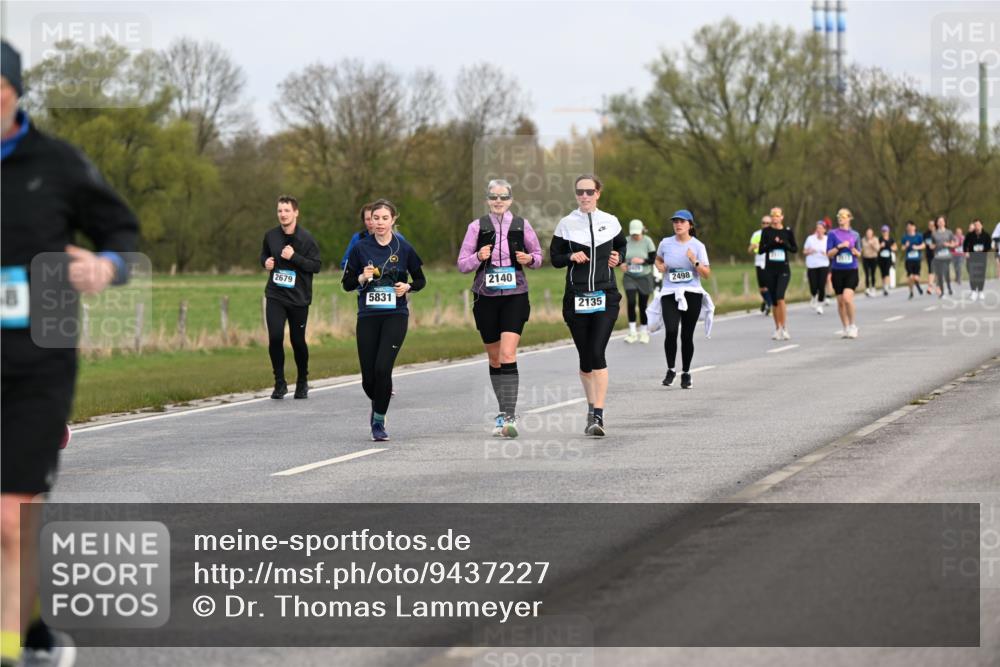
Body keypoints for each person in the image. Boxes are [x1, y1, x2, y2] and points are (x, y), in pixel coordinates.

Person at [1, 39, 139, 667]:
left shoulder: (56, 163)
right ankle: (31, 631)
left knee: (9, 516)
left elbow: (121, 232)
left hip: (39, 353)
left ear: (14, 91)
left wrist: (107, 268)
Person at [456, 179, 543, 438]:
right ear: (487, 199)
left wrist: (529, 259)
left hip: (515, 296)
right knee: (494, 358)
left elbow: (538, 257)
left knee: (507, 354)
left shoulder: (522, 225)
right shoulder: (476, 227)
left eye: (503, 197)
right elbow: (462, 264)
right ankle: (501, 411)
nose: (498, 201)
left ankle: (509, 415)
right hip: (485, 298)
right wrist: (478, 257)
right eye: (493, 197)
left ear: (510, 200)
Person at [342, 199, 425, 441]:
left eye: (384, 218)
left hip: (395, 315)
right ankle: (379, 400)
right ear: (371, 221)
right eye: (375, 218)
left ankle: (378, 421)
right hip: (368, 315)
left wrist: (407, 286)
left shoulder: (404, 247)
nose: (379, 222)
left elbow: (421, 280)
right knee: (369, 379)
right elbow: (346, 284)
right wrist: (361, 277)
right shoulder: (360, 248)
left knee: (383, 368)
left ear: (393, 220)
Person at [549, 175, 626, 437]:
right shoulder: (566, 224)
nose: (584, 196)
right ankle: (591, 407)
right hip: (576, 297)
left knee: (597, 351)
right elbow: (555, 258)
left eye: (589, 191)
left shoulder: (611, 221)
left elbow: (622, 246)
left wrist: (619, 256)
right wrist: (570, 255)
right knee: (585, 358)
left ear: (598, 193)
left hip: (605, 294)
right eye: (580, 192)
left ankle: (598, 416)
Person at [260, 195, 322, 399]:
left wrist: (293, 257)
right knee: (275, 337)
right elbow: (264, 255)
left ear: (296, 212)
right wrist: (266, 263)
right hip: (276, 295)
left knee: (297, 340)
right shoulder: (271, 236)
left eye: (286, 210)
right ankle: (279, 383)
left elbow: (316, 266)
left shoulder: (306, 238)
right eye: (280, 211)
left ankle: (302, 381)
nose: (283, 214)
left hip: (299, 298)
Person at [655, 210, 711, 389]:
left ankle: (686, 373)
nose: (678, 224)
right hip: (670, 292)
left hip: (692, 292)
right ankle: (671, 369)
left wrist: (694, 261)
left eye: (682, 221)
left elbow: (706, 274)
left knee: (687, 335)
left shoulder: (698, 246)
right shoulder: (665, 243)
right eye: (675, 222)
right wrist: (660, 266)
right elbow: (657, 259)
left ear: (690, 225)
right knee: (671, 330)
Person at [757, 206, 797, 340]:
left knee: (780, 297)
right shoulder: (766, 232)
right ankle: (777, 328)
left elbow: (794, 249)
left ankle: (784, 327)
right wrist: (772, 244)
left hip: (783, 270)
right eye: (773, 215)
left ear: (782, 217)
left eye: (777, 215)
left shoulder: (787, 231)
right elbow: (761, 250)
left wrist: (783, 243)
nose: (775, 218)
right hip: (770, 270)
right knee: (774, 301)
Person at [827, 208, 861, 338]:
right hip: (837, 271)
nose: (840, 217)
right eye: (839, 215)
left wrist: (854, 251)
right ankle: (845, 327)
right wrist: (839, 247)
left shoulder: (855, 234)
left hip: (851, 270)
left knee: (847, 299)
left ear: (849, 218)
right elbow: (829, 254)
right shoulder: (832, 234)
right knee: (840, 301)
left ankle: (853, 326)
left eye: (843, 215)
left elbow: (859, 252)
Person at [340, 203, 406, 270]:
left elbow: (406, 263)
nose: (371, 222)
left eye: (375, 218)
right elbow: (345, 264)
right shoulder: (357, 238)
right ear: (364, 221)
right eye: (368, 219)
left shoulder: (398, 238)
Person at [621, 219, 657, 343]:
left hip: (644, 276)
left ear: (642, 230)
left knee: (643, 305)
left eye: (637, 233)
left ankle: (643, 332)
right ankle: (632, 333)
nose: (635, 236)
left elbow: (653, 259)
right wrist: (621, 264)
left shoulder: (648, 241)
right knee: (631, 302)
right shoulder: (625, 241)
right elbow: (619, 258)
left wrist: (642, 261)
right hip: (629, 277)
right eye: (633, 234)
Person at [803, 220, 830, 314]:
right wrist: (809, 251)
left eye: (821, 228)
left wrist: (826, 253)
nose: (819, 230)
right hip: (812, 265)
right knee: (813, 286)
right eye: (817, 228)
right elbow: (804, 251)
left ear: (824, 230)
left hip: (823, 265)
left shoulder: (827, 239)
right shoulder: (810, 239)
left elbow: (831, 253)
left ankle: (820, 304)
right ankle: (814, 296)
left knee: (821, 285)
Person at [748, 215, 772, 315]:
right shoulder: (756, 234)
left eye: (768, 223)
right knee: (762, 287)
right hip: (759, 262)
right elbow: (749, 250)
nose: (765, 225)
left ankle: (769, 304)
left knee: (770, 286)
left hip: (771, 262)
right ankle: (766, 301)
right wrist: (753, 246)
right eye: (764, 223)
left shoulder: (774, 234)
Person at [964, 219, 992, 301]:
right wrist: (966, 252)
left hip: (982, 258)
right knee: (973, 274)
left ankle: (980, 291)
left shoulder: (986, 235)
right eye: (975, 225)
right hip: (972, 258)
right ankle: (973, 291)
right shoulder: (970, 235)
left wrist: (983, 250)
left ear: (981, 225)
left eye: (978, 225)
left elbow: (989, 246)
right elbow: (965, 244)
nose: (977, 226)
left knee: (981, 275)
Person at [929, 215, 956, 298]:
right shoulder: (934, 234)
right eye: (939, 222)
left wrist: (948, 244)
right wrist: (932, 246)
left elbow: (954, 243)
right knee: (939, 274)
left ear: (944, 222)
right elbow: (932, 244)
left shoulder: (949, 232)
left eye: (942, 221)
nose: (940, 223)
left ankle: (949, 286)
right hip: (938, 256)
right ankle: (942, 292)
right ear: (937, 223)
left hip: (947, 256)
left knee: (946, 272)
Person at [900, 221, 926, 299]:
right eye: (908, 227)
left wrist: (917, 247)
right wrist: (906, 246)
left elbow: (923, 245)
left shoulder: (919, 236)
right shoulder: (905, 237)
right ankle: (911, 292)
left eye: (911, 226)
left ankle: (917, 285)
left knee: (916, 277)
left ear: (914, 227)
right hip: (909, 260)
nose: (909, 228)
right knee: (910, 277)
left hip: (917, 259)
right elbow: (902, 248)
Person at [877, 224, 897, 297]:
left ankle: (886, 287)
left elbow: (895, 247)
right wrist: (880, 246)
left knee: (887, 272)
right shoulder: (880, 239)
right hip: (881, 258)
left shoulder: (891, 239)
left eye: (886, 231)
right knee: (883, 273)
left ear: (888, 231)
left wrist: (892, 248)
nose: (885, 232)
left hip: (888, 257)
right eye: (883, 231)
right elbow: (877, 248)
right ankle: (884, 286)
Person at [861, 227, 880, 297]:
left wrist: (872, 244)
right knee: (866, 274)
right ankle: (867, 288)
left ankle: (873, 287)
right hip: (865, 258)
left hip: (873, 258)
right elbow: (861, 249)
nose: (868, 234)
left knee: (872, 273)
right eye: (867, 233)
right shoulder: (863, 240)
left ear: (872, 233)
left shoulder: (875, 239)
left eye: (870, 233)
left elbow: (878, 249)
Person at [923, 219, 937, 295]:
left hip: (938, 254)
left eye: (932, 225)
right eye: (929, 225)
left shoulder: (938, 233)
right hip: (929, 254)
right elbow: (923, 243)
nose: (931, 227)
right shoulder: (925, 234)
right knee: (931, 270)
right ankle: (930, 287)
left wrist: (935, 245)